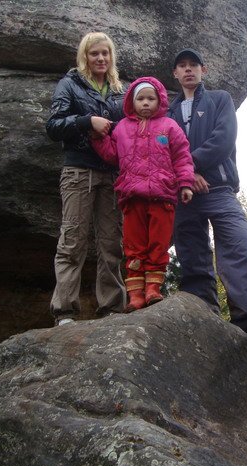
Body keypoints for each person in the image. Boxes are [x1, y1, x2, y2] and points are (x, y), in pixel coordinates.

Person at [167, 48, 247, 348]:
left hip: (219, 188)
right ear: (175, 73)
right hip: (184, 192)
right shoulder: (167, 111)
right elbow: (161, 150)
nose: (188, 70)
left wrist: (189, 167)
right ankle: (205, 314)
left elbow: (223, 140)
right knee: (191, 253)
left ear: (203, 70)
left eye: (193, 65)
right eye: (182, 65)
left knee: (238, 245)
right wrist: (186, 175)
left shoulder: (220, 99)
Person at [92, 76, 194, 312]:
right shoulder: (121, 128)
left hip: (163, 196)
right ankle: (136, 295)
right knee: (134, 245)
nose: (146, 103)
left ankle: (153, 290)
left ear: (160, 101)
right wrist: (97, 138)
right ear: (131, 101)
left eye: (151, 98)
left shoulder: (169, 126)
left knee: (158, 243)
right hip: (132, 196)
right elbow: (112, 155)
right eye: (140, 99)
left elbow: (182, 157)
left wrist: (186, 184)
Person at [46, 32, 127, 326]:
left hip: (112, 173)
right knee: (72, 241)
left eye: (105, 53)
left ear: (111, 56)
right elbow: (53, 125)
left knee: (111, 243)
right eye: (95, 53)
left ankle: (112, 308)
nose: (101, 58)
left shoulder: (120, 89)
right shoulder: (69, 84)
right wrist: (85, 121)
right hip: (79, 171)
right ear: (85, 56)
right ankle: (65, 311)